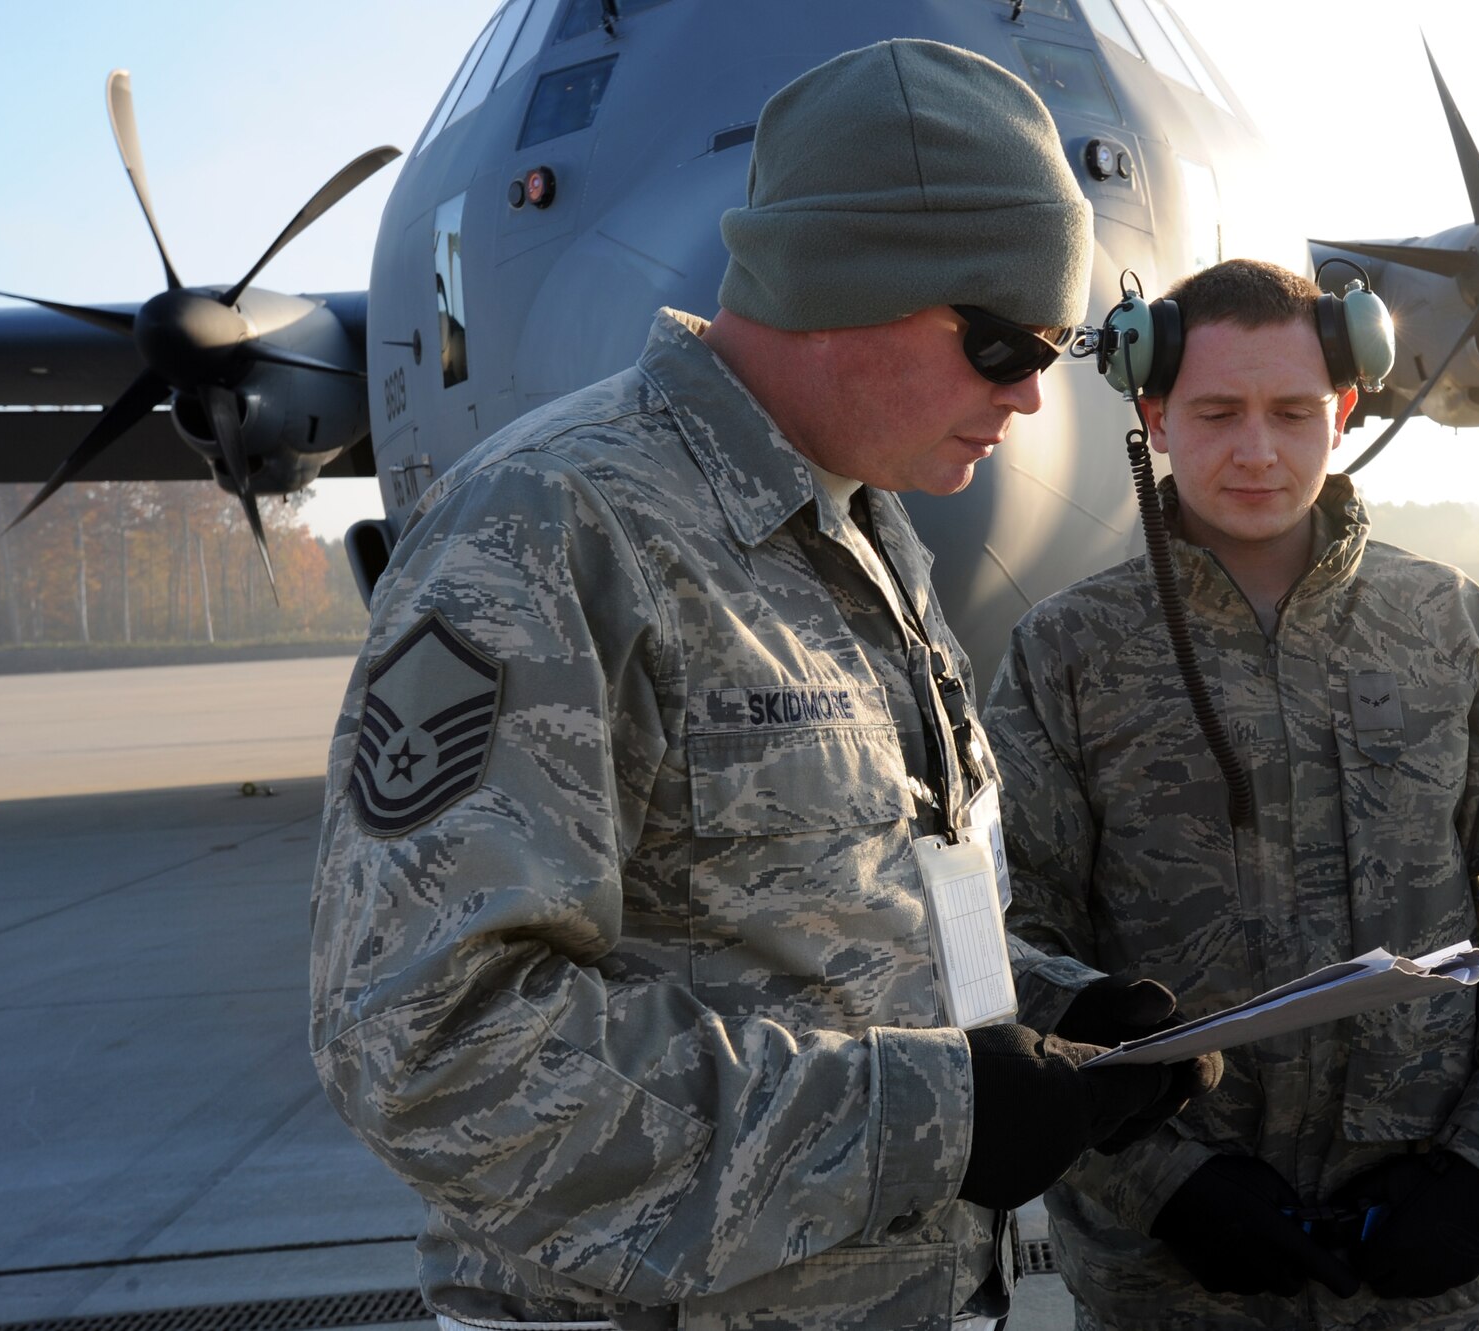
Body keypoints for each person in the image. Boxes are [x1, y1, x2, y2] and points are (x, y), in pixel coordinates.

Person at [307, 41, 1216, 1331]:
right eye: (1005, 339)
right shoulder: (545, 528)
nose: (1028, 392)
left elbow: (841, 905)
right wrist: (941, 1119)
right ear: (846, 283)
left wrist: (1056, 1018)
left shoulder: (864, 526)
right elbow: (434, 1048)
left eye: (1056, 346)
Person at [987, 258, 1479, 1331]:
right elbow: (1005, 941)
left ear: (1340, 409)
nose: (1255, 449)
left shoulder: (1449, 626)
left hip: (1434, 1271)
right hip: (1176, 1281)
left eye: (1291, 411)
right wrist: (1165, 1177)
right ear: (1152, 410)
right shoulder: (1067, 651)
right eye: (1216, 410)